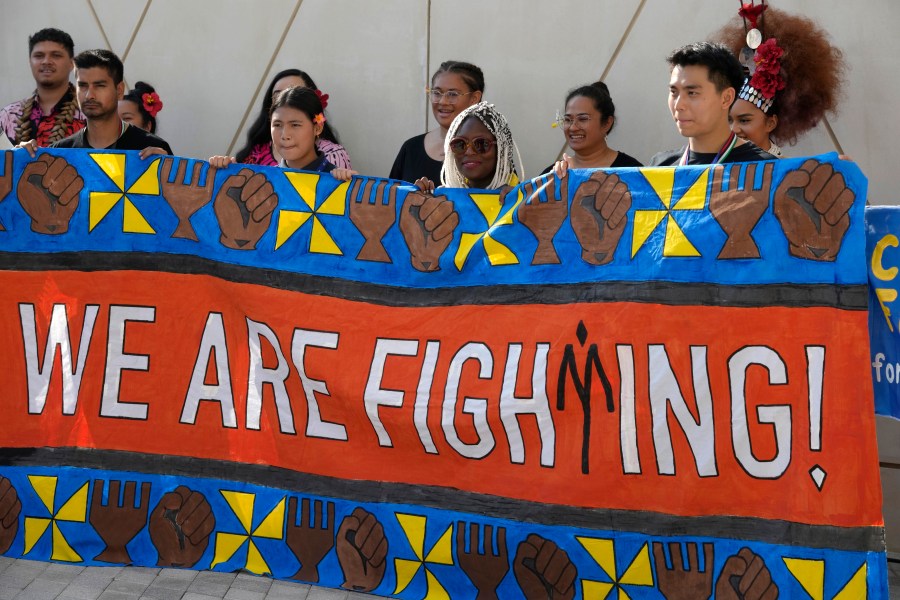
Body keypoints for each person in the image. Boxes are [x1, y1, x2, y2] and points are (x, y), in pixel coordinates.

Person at [715, 3, 846, 157]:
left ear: (771, 123)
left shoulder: (789, 173)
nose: (734, 129)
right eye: (729, 120)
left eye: (744, 120)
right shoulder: (717, 169)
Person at [19, 49, 172, 158]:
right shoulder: (61, 152)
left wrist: (165, 174)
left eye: (100, 85)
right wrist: (21, 161)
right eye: (83, 85)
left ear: (119, 90)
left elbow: (177, 202)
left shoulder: (152, 149)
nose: (89, 95)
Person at [650, 42, 775, 166]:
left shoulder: (767, 169)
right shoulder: (660, 166)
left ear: (726, 98)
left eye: (692, 93)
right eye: (673, 92)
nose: (678, 105)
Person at [210, 86, 355, 181]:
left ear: (317, 128)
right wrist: (222, 176)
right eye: (277, 125)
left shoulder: (336, 180)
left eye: (295, 125)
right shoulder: (262, 181)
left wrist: (353, 187)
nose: (285, 135)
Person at [234, 68, 350, 169]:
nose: (287, 99)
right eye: (278, 95)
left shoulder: (332, 159)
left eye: (296, 93)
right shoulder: (257, 154)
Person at [390, 61, 484, 183]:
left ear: (474, 98)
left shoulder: (489, 150)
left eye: (452, 94)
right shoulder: (411, 149)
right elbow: (391, 198)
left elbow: (508, 199)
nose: (443, 101)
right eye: (437, 93)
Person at [0, 28, 86, 147]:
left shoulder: (89, 112)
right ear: (30, 62)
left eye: (56, 55)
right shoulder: (8, 116)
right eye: (39, 56)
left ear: (72, 64)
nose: (46, 61)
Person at [415, 101, 521, 191]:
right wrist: (422, 205)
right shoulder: (445, 200)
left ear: (501, 149)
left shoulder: (523, 202)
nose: (469, 151)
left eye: (481, 144)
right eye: (459, 144)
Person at [543, 81, 642, 177]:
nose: (572, 127)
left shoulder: (633, 173)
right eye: (568, 119)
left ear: (607, 123)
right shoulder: (554, 174)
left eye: (582, 119)